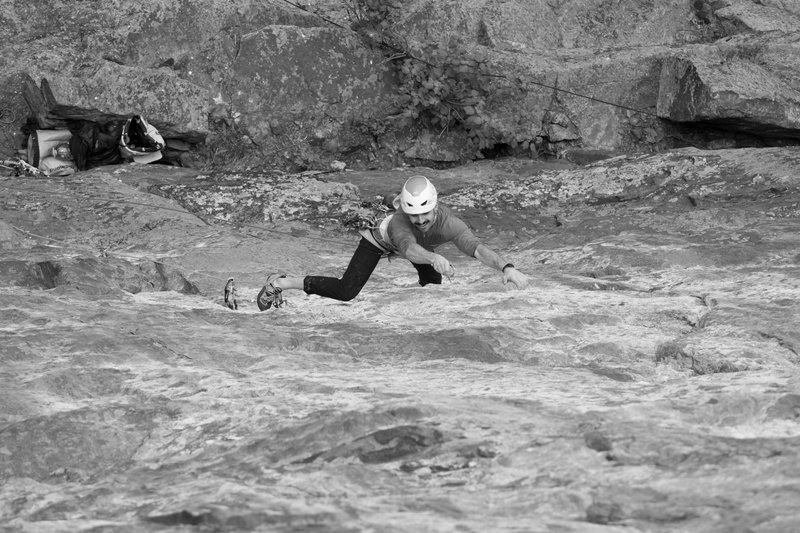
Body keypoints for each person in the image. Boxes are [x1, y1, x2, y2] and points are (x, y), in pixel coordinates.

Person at [255, 175, 529, 311]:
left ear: (435, 208)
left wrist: (506, 268)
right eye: (414, 215)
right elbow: (409, 249)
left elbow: (476, 248)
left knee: (433, 289)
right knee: (346, 290)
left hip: (419, 248)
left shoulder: (449, 223)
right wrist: (433, 258)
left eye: (425, 214)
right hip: (379, 239)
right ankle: (280, 283)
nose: (420, 219)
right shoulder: (400, 222)